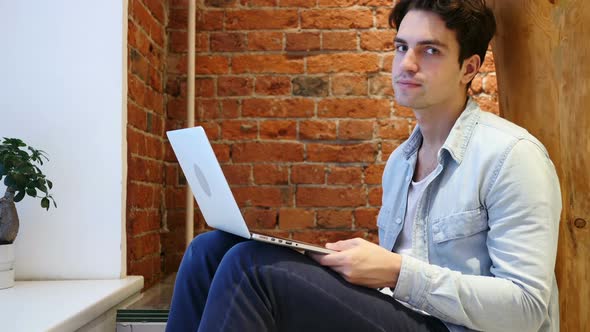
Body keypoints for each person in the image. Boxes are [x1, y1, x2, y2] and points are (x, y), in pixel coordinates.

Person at [165, 0, 561, 331]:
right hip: (406, 313)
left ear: (469, 68)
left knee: (250, 268)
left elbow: (527, 308)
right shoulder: (400, 163)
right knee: (209, 250)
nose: (407, 64)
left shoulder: (513, 155)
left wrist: (395, 271)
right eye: (401, 47)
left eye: (430, 50)